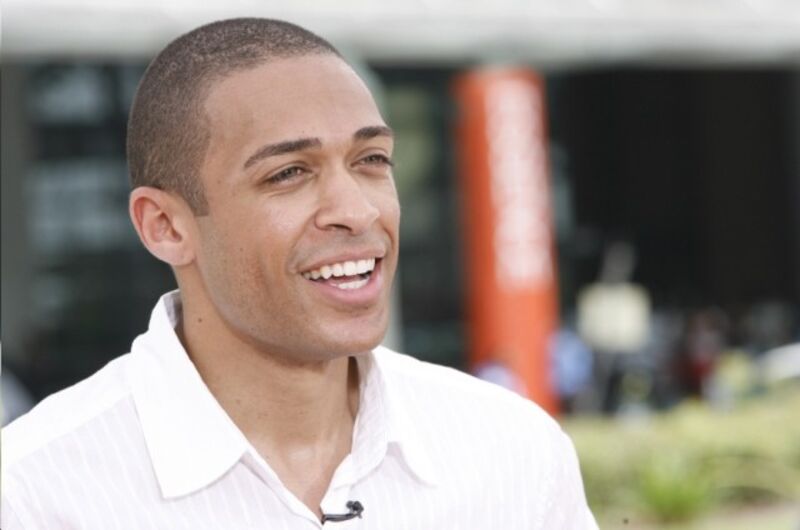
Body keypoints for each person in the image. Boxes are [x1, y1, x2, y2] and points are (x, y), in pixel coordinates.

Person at [2, 18, 597, 529]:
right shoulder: (34, 492)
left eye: (371, 160)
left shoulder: (512, 452)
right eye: (288, 173)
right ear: (165, 226)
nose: (357, 211)